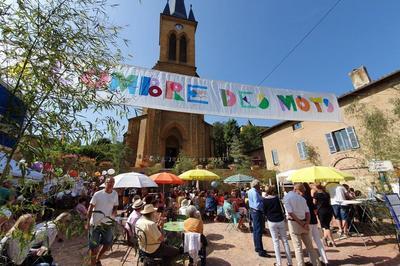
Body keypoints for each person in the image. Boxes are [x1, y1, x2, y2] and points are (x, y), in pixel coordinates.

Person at [284, 183, 320, 266]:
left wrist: (301, 223)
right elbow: (308, 212)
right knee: (310, 247)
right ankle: (316, 264)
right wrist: (306, 223)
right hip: (304, 222)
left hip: (294, 223)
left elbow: (290, 213)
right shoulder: (302, 199)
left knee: (298, 248)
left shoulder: (287, 197)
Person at [87, 176, 119, 266]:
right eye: (108, 182)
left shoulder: (115, 194)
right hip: (95, 224)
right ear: (105, 183)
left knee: (107, 244)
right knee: (94, 248)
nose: (110, 184)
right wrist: (87, 223)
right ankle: (93, 264)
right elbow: (90, 209)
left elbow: (116, 205)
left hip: (107, 224)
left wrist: (114, 212)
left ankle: (98, 259)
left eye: (112, 182)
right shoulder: (97, 194)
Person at [263, 185, 292, 266]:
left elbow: (264, 212)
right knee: (285, 241)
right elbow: (282, 209)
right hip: (280, 220)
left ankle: (279, 263)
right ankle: (290, 262)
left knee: (276, 242)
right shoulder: (277, 198)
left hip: (271, 221)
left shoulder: (264, 200)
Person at [302, 183, 328, 265]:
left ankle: (312, 261)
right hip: (314, 220)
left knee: (309, 243)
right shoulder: (310, 197)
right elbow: (315, 209)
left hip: (308, 221)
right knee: (318, 241)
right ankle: (325, 260)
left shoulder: (303, 199)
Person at [248, 179, 270, 258]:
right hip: (257, 212)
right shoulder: (254, 192)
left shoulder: (250, 191)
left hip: (253, 211)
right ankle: (260, 250)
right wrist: (263, 202)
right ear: (256, 185)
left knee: (256, 231)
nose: (260, 186)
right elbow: (257, 205)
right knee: (258, 231)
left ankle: (257, 247)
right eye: (259, 185)